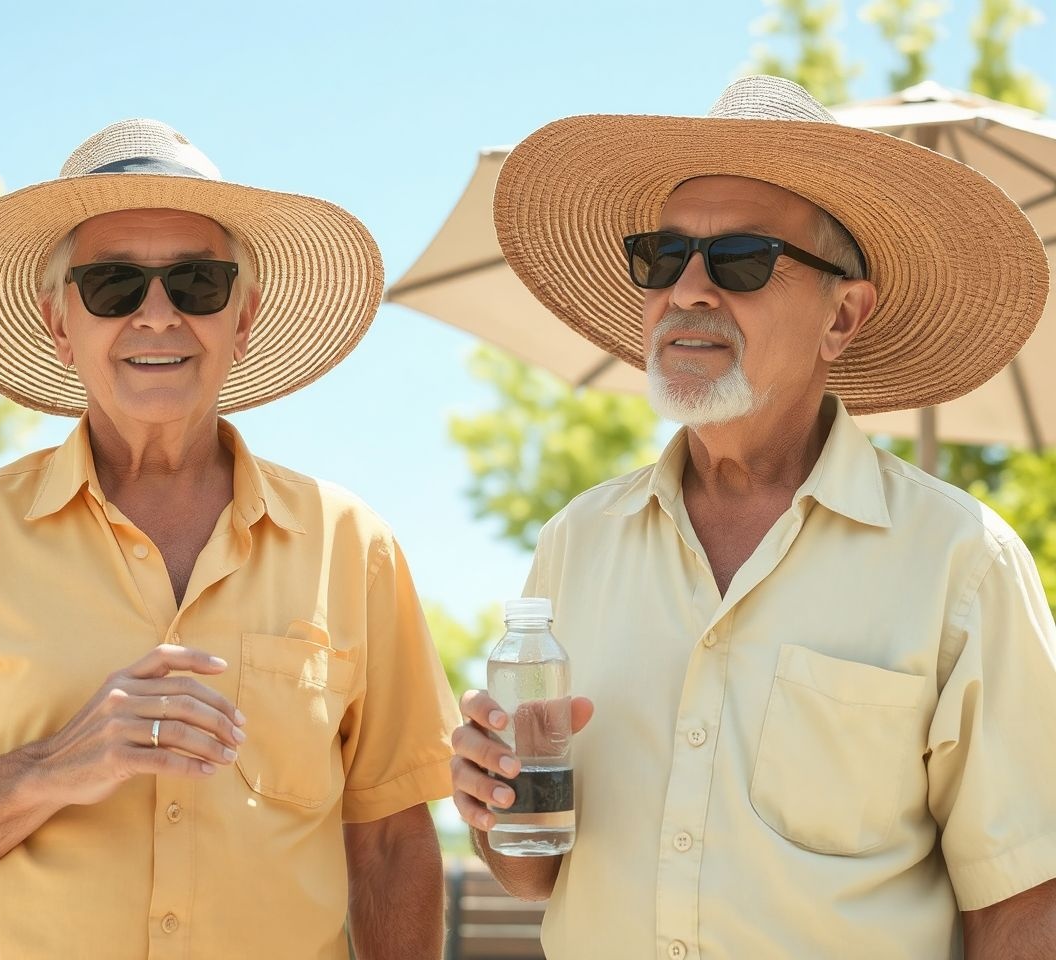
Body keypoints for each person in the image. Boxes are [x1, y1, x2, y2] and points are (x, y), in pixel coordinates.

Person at [0, 118, 458, 960]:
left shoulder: (351, 543)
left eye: (196, 282)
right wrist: (50, 769)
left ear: (242, 317)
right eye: (111, 285)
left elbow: (394, 844)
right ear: (60, 322)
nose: (156, 315)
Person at [451, 75, 1056, 959]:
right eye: (663, 257)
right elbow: (532, 872)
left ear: (842, 315)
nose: (688, 290)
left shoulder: (961, 562)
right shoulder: (577, 543)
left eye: (740, 259)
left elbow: (1024, 904)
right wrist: (490, 804)